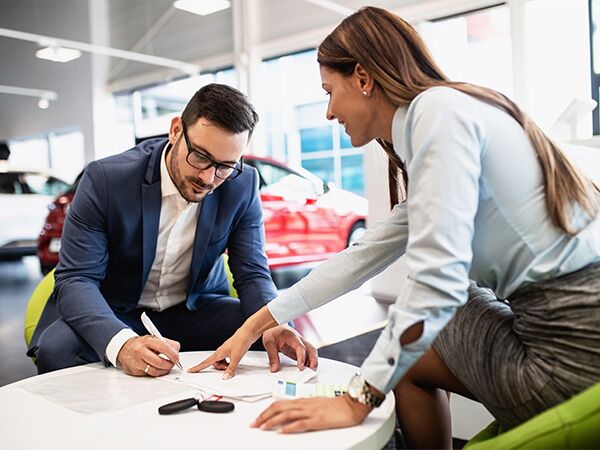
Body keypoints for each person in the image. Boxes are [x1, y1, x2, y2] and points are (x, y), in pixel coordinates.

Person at [189, 7, 600, 448]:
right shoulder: (452, 109)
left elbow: (436, 284)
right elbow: (359, 258)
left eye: (330, 91)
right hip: (572, 333)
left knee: (425, 317)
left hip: (568, 356)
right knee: (407, 355)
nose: (328, 112)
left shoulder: (436, 113)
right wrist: (251, 327)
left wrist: (357, 399)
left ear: (364, 78)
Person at [28, 84, 318, 377]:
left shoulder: (242, 185)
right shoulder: (106, 180)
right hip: (116, 309)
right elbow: (77, 279)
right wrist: (123, 344)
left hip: (194, 310)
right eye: (201, 157)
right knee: (58, 349)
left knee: (268, 335)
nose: (208, 178)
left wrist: (275, 323)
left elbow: (252, 272)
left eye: (225, 166)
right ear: (176, 130)